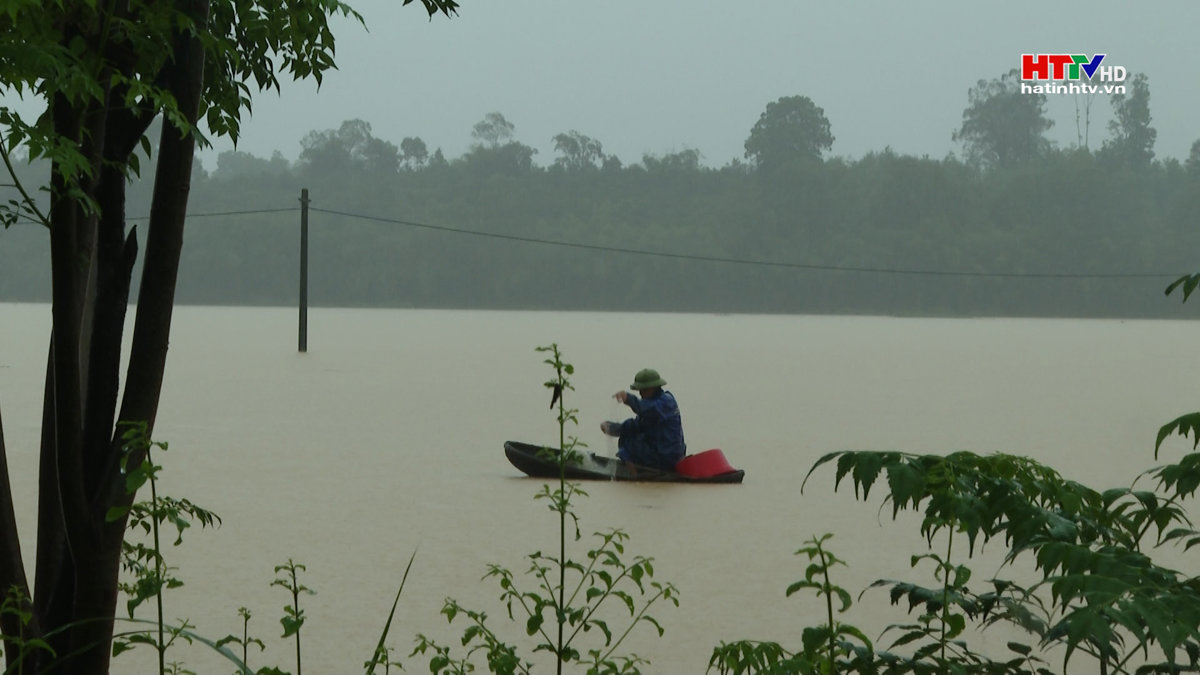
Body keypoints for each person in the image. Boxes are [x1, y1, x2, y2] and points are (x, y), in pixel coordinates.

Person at [600, 368, 686, 471]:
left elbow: (644, 408)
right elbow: (636, 425)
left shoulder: (666, 402)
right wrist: (612, 428)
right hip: (662, 453)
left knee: (627, 442)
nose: (641, 394)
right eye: (640, 390)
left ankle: (634, 473)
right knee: (628, 434)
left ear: (654, 388)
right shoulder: (650, 406)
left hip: (667, 455)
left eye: (644, 390)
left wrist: (628, 398)